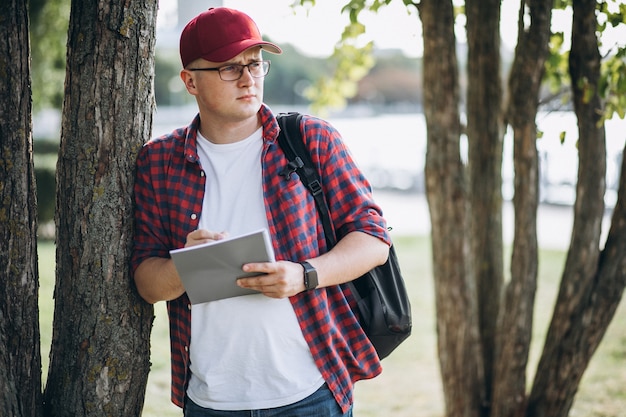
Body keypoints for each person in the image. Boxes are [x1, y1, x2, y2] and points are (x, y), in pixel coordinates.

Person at [131, 7, 390, 417]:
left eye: (254, 64)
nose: (248, 78)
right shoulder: (158, 163)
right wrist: (185, 265)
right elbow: (147, 284)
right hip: (211, 401)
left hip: (311, 393)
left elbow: (374, 241)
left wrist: (305, 275)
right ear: (190, 81)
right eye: (229, 68)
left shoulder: (310, 139)